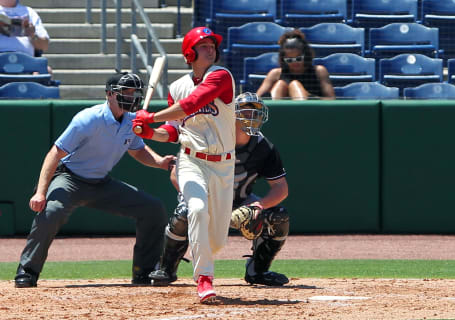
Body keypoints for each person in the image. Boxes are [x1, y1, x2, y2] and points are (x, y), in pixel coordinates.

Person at [14, 72, 175, 288]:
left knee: (153, 209)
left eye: (134, 92)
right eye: (124, 92)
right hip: (69, 179)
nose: (131, 96)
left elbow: (138, 151)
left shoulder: (131, 121)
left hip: (101, 183)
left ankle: (144, 272)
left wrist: (160, 162)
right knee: (51, 212)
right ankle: (27, 270)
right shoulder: (88, 119)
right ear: (109, 94)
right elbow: (54, 153)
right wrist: (41, 192)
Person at [132, 26, 236, 303]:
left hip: (223, 165)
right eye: (203, 45)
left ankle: (204, 259)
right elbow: (175, 131)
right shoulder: (177, 87)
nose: (211, 48)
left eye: (212, 44)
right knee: (197, 210)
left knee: (217, 241)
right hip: (190, 160)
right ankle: (204, 279)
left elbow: (192, 103)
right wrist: (149, 133)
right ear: (190, 53)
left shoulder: (221, 76)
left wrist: (150, 117)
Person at [149, 92, 290, 288]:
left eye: (256, 113)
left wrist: (258, 206)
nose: (252, 118)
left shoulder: (263, 146)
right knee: (184, 213)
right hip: (205, 198)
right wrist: (197, 198)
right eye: (246, 113)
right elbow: (175, 173)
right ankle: (166, 268)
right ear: (230, 114)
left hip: (240, 203)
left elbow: (281, 188)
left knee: (279, 217)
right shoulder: (210, 136)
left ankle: (258, 271)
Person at [256, 29, 335, 100]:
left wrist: (310, 98)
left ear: (306, 55)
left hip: (312, 111)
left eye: (298, 59)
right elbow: (256, 99)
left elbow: (331, 99)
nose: (295, 63)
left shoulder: (319, 71)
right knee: (280, 84)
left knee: (294, 84)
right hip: (284, 112)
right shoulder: (275, 74)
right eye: (289, 60)